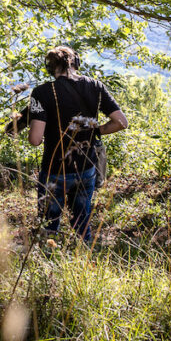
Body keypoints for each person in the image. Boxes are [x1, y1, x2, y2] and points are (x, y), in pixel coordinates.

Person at [27, 46, 128, 244]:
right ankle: (85, 258)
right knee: (82, 222)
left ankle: (48, 260)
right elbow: (121, 122)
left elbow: (35, 140)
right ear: (76, 63)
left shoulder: (42, 92)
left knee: (49, 224)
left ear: (50, 67)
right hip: (86, 167)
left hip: (54, 168)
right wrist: (94, 131)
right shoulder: (96, 86)